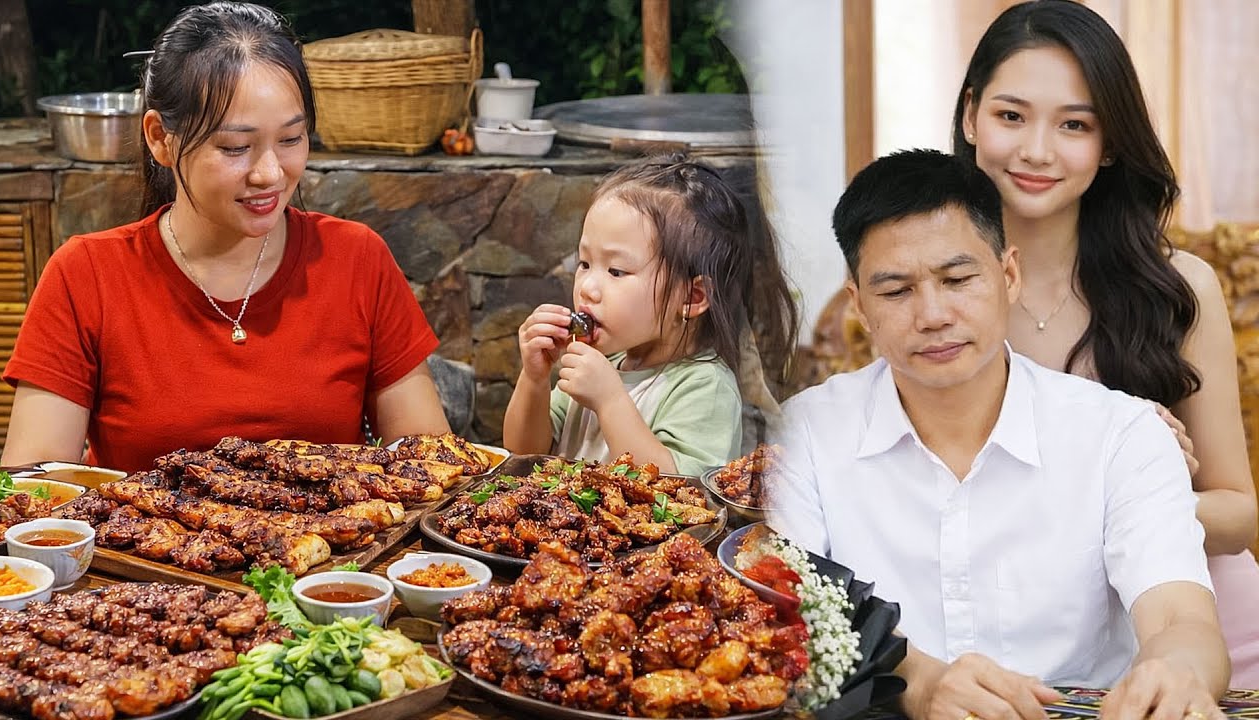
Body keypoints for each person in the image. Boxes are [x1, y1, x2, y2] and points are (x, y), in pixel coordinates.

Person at [769, 149, 1229, 720]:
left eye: (958, 279)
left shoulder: (1122, 434)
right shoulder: (803, 437)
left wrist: (1178, 674)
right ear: (859, 305)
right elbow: (785, 616)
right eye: (896, 291)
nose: (933, 315)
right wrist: (920, 683)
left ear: (1009, 276)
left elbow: (1181, 618)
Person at [0, 2, 449, 473]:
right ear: (160, 138)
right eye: (235, 147)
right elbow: (36, 485)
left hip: (345, 525)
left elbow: (431, 465)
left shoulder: (356, 258)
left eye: (291, 139)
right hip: (135, 526)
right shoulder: (86, 275)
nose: (270, 173)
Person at [952, 0, 1259, 687]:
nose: (1037, 150)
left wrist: (1134, 489)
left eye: (1074, 125)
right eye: (1011, 116)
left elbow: (1237, 514)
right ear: (972, 116)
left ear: (1110, 141)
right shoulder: (936, 298)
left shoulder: (1179, 288)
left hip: (1214, 634)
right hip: (1026, 646)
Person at [502, 156, 798, 478]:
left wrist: (610, 401)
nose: (587, 288)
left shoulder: (704, 386)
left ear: (692, 297)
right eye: (584, 264)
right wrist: (534, 380)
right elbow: (523, 454)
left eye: (616, 271)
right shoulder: (603, 362)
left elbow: (680, 491)